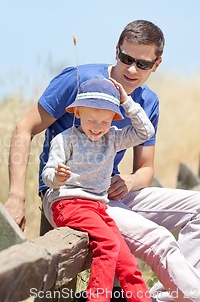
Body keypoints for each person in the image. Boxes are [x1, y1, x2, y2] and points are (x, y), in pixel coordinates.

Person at [4, 19, 200, 302]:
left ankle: (169, 297)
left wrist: (130, 180)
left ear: (156, 65)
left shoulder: (148, 101)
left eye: (143, 64)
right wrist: (16, 197)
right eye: (126, 58)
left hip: (108, 192)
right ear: (116, 51)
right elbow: (24, 129)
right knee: (159, 239)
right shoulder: (77, 80)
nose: (132, 69)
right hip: (70, 196)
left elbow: (146, 169)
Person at [42, 77, 154, 302]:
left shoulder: (112, 138)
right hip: (69, 204)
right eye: (91, 119)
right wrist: (57, 177)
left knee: (127, 261)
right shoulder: (65, 140)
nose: (97, 127)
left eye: (104, 121)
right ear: (78, 113)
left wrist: (126, 100)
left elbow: (146, 131)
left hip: (98, 208)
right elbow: (47, 175)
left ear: (113, 118)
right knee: (108, 244)